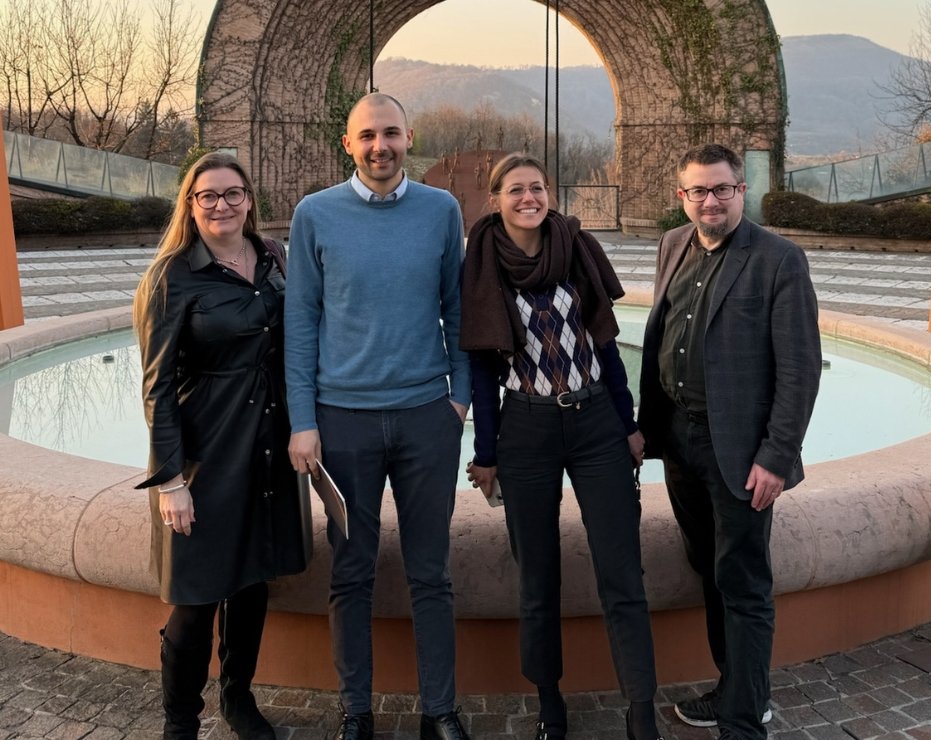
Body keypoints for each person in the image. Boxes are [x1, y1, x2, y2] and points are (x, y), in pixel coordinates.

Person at [284, 92, 471, 740]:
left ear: (409, 136)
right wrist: (302, 420)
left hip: (427, 418)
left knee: (431, 573)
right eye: (367, 136)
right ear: (348, 143)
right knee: (351, 571)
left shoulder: (442, 210)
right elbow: (300, 322)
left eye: (390, 133)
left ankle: (439, 711)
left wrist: (460, 398)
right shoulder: (314, 215)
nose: (379, 146)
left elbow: (458, 308)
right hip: (342, 422)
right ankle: (355, 712)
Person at [462, 153, 663, 740]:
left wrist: (627, 424)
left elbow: (606, 344)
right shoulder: (481, 265)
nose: (530, 198)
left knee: (622, 572)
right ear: (496, 199)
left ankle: (641, 710)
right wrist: (488, 452)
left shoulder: (575, 247)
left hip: (597, 421)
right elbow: (480, 371)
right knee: (537, 576)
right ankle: (549, 703)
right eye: (517, 190)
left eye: (539, 187)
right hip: (526, 427)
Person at [638, 144, 821, 740]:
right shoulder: (672, 245)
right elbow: (663, 336)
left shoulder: (778, 260)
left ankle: (745, 722)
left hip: (741, 453)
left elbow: (800, 369)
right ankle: (734, 688)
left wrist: (776, 457)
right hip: (682, 443)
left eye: (722, 189)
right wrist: (647, 426)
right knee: (709, 569)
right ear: (681, 196)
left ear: (742, 192)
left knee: (742, 581)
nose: (710, 200)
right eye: (699, 191)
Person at [133, 151, 311, 740]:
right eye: (207, 195)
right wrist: (171, 482)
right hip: (205, 453)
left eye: (232, 193)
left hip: (267, 445)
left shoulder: (274, 260)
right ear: (190, 204)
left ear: (249, 199)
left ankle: (239, 699)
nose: (221, 205)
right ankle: (180, 720)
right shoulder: (172, 277)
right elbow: (156, 387)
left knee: (252, 582)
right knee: (195, 597)